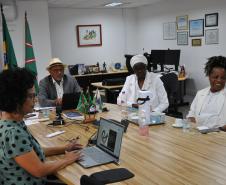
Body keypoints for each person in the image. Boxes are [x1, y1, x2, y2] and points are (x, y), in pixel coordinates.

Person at [0, 68, 82, 185]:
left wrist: (64, 148)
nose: (35, 100)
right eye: (31, 96)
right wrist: (66, 159)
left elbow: (29, 151)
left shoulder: (12, 122)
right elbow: (39, 170)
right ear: (16, 99)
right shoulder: (13, 133)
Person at [187, 56, 226, 129]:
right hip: (198, 132)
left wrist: (218, 130)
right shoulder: (200, 93)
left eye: (223, 78)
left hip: (219, 135)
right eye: (215, 77)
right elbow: (191, 114)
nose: (219, 80)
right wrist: (193, 125)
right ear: (209, 76)